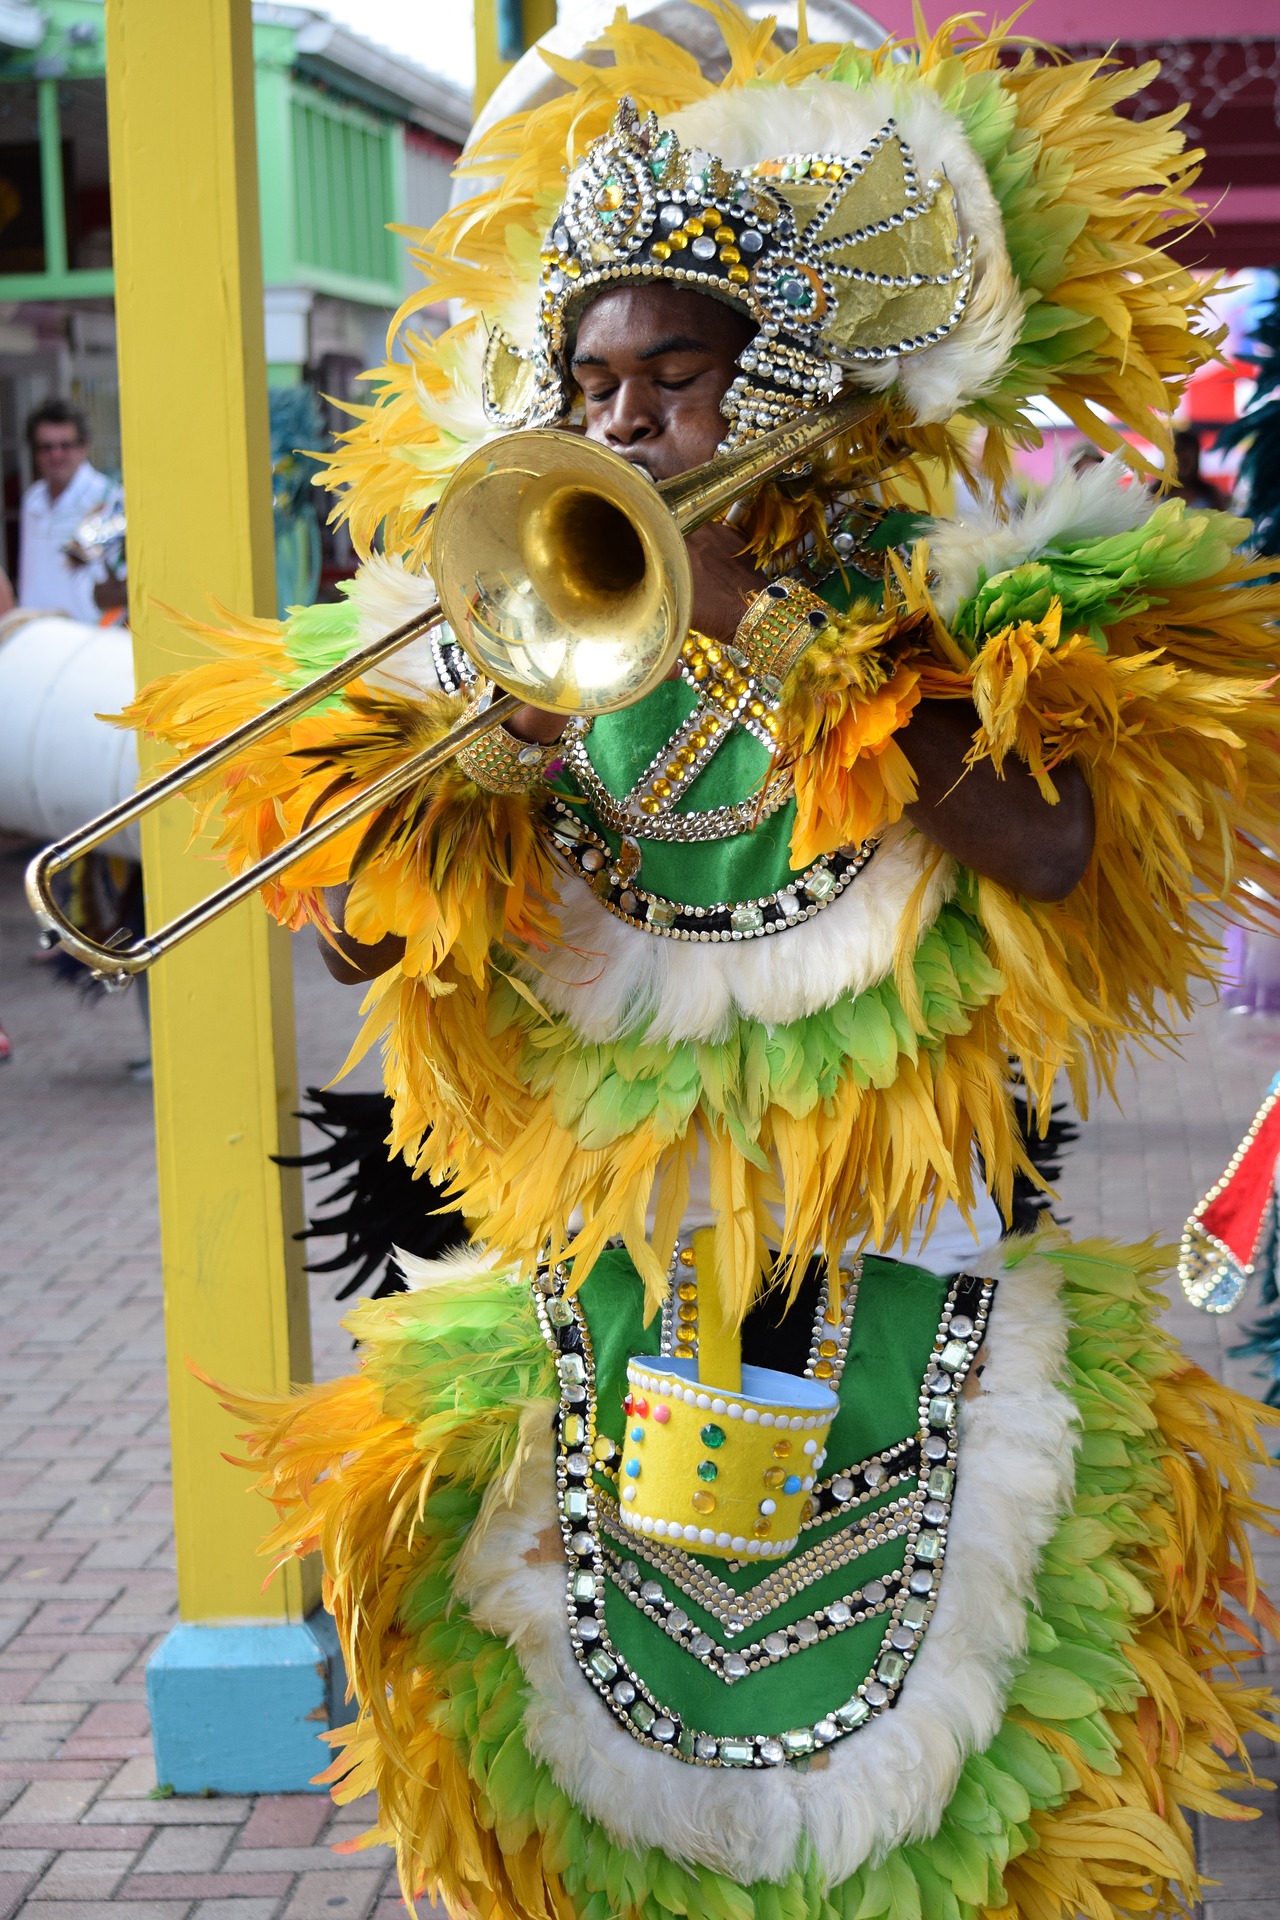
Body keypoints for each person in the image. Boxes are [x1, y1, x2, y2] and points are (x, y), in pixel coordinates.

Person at [124, 12, 1280, 1920]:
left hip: (895, 1248)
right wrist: (461, 777)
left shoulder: (922, 584)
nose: (633, 415)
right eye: (596, 381)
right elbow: (346, 936)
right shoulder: (516, 604)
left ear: (775, 387)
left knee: (921, 1729)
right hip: (606, 1266)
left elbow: (1052, 844)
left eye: (676, 376)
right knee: (604, 1714)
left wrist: (764, 622)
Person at [17, 399, 110, 623]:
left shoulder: (106, 497)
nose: (56, 455)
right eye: (46, 447)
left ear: (84, 446)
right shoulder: (32, 500)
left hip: (86, 636)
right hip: (35, 633)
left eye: (65, 445)